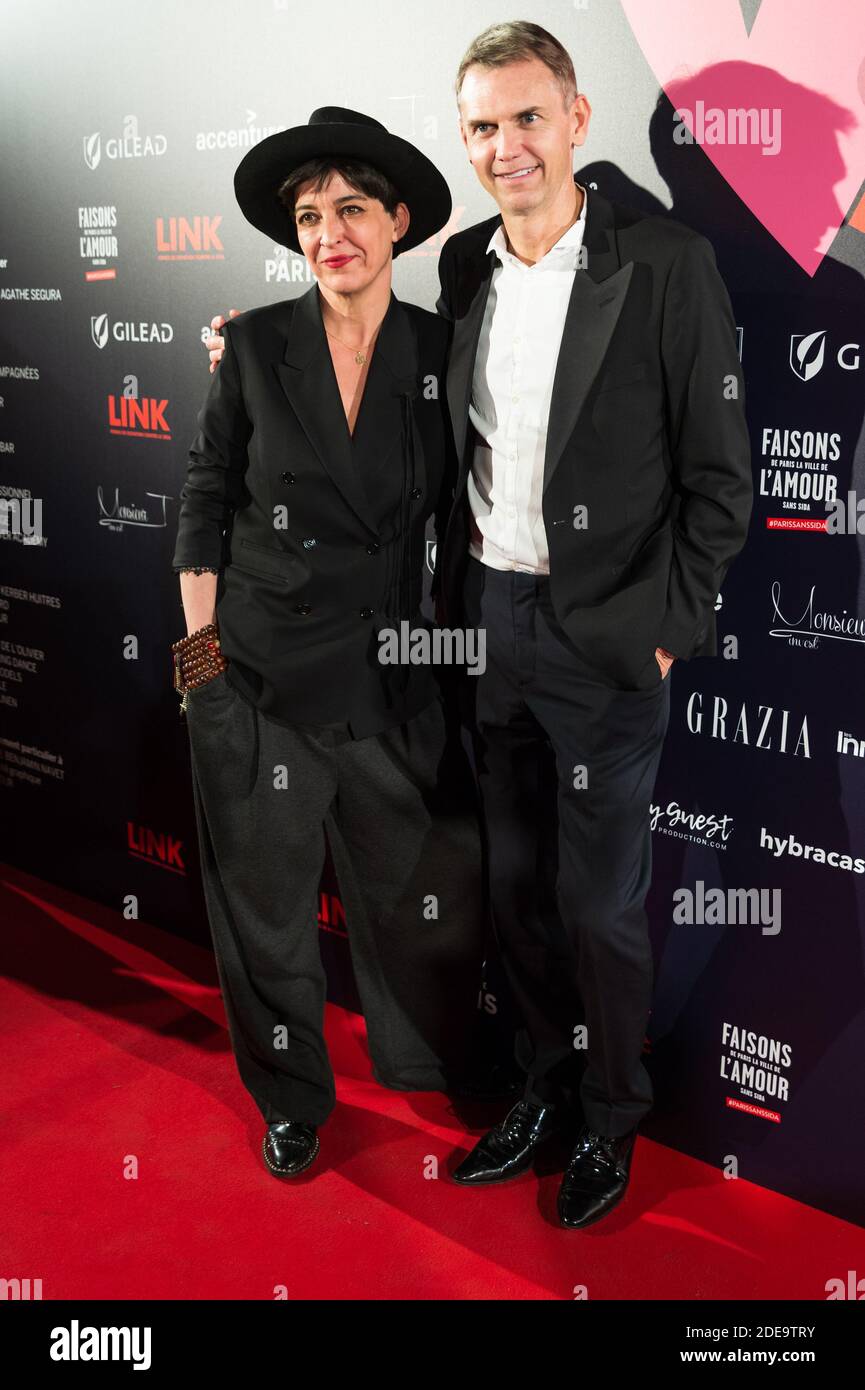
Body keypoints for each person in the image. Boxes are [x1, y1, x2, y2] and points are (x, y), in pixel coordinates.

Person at [204, 21, 753, 1229]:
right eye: (484, 127)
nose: (507, 147)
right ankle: (548, 1090)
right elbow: (353, 358)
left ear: (575, 119)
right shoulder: (461, 274)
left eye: (527, 118)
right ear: (465, 139)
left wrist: (663, 630)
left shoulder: (663, 266)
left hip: (606, 636)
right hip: (486, 624)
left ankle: (613, 1112)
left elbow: (722, 483)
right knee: (513, 888)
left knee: (600, 905)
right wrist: (248, 350)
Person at [170, 108, 485, 1181]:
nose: (328, 231)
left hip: (395, 680)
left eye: (352, 207)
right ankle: (291, 1095)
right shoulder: (255, 342)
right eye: (309, 215)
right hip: (256, 678)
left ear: (399, 221)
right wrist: (198, 669)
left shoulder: (447, 349)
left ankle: (428, 1062)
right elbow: (204, 500)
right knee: (264, 914)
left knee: (418, 891)